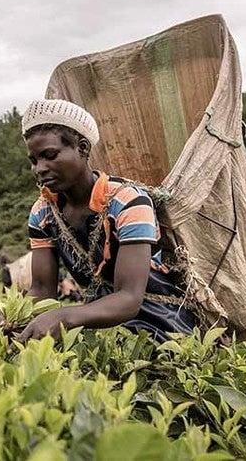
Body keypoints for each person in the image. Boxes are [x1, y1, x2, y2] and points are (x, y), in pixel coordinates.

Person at [14, 99, 197, 344]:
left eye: (50, 155)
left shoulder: (128, 202)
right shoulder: (43, 213)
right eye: (34, 160)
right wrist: (18, 318)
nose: (40, 169)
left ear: (82, 148)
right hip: (101, 331)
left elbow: (129, 298)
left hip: (164, 331)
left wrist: (64, 317)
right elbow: (41, 289)